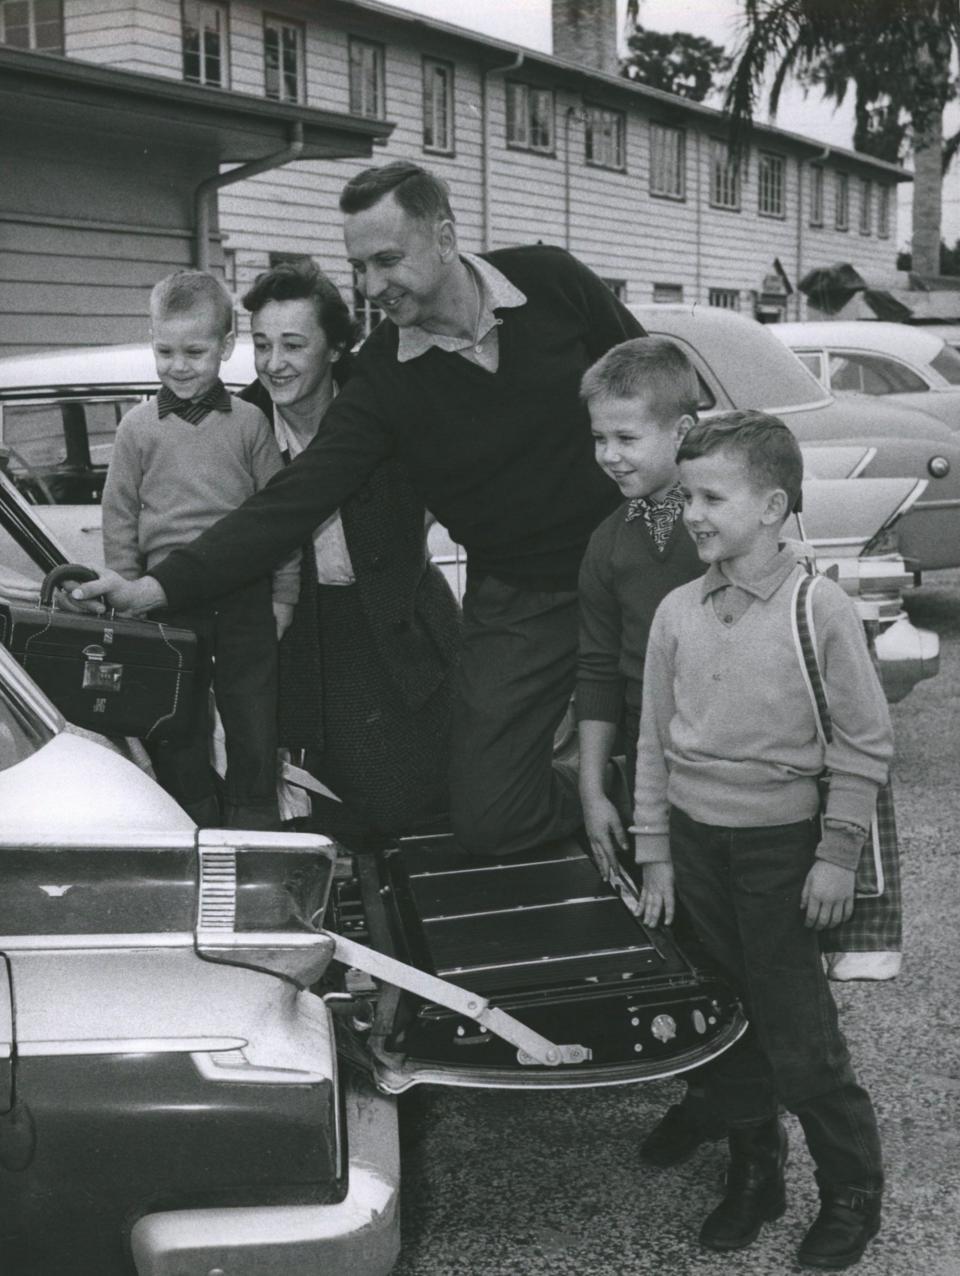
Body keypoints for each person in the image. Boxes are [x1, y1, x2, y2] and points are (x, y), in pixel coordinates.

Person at [74, 160, 643, 856]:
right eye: (359, 268)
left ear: (444, 235)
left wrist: (730, 486)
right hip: (522, 597)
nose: (373, 286)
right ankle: (609, 797)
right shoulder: (382, 376)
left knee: (693, 753)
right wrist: (156, 586)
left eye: (386, 260)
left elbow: (658, 382)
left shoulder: (551, 279)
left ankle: (664, 823)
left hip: (635, 556)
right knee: (488, 815)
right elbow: (292, 500)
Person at [632, 410, 892, 1269]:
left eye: (713, 496)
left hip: (783, 857)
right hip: (696, 852)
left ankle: (852, 1193)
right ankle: (756, 1171)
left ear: (774, 505)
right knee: (723, 1020)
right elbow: (652, 741)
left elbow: (863, 742)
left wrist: (837, 853)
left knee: (799, 1034)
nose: (694, 513)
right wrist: (657, 850)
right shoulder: (677, 611)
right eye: (686, 496)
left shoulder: (819, 609)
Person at [239, 258, 459, 838]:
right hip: (299, 649)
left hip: (406, 635)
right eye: (261, 345)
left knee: (425, 818)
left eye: (292, 344)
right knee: (327, 827)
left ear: (336, 348)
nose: (273, 363)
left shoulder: (386, 401)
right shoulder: (239, 422)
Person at [576, 335, 725, 1166]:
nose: (609, 455)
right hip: (653, 779)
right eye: (599, 438)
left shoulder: (731, 524)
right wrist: (593, 786)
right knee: (684, 950)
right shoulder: (610, 542)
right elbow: (598, 669)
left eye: (627, 438)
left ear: (683, 429)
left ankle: (755, 1137)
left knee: (749, 953)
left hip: (735, 779)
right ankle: (709, 1098)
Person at [101, 269, 299, 829]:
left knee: (253, 720)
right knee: (176, 722)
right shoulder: (137, 428)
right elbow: (118, 516)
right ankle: (194, 825)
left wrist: (284, 596)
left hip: (245, 600)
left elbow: (279, 518)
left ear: (226, 347)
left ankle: (254, 826)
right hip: (166, 602)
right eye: (165, 350)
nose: (178, 365)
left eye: (194, 350)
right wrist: (126, 594)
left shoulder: (250, 424)